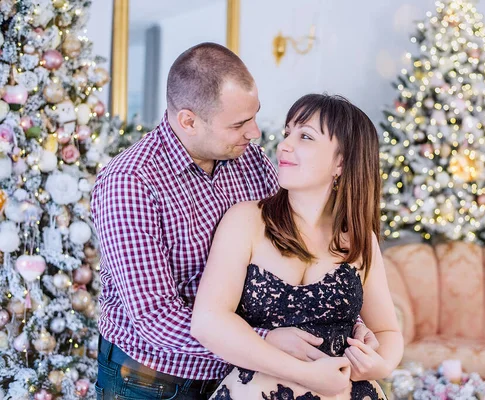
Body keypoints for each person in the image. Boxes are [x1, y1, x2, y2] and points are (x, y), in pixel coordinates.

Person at [91, 43, 376, 400]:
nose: (256, 132)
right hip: (154, 379)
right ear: (189, 121)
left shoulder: (250, 161)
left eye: (255, 115)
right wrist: (264, 340)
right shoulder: (130, 182)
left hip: (243, 374)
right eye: (239, 123)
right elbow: (155, 318)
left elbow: (293, 254)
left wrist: (347, 324)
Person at [191, 94, 404, 399]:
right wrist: (306, 374)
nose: (284, 145)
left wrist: (379, 366)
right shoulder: (246, 220)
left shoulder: (359, 238)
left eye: (305, 136)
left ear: (341, 162)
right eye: (288, 132)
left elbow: (388, 332)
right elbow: (208, 323)